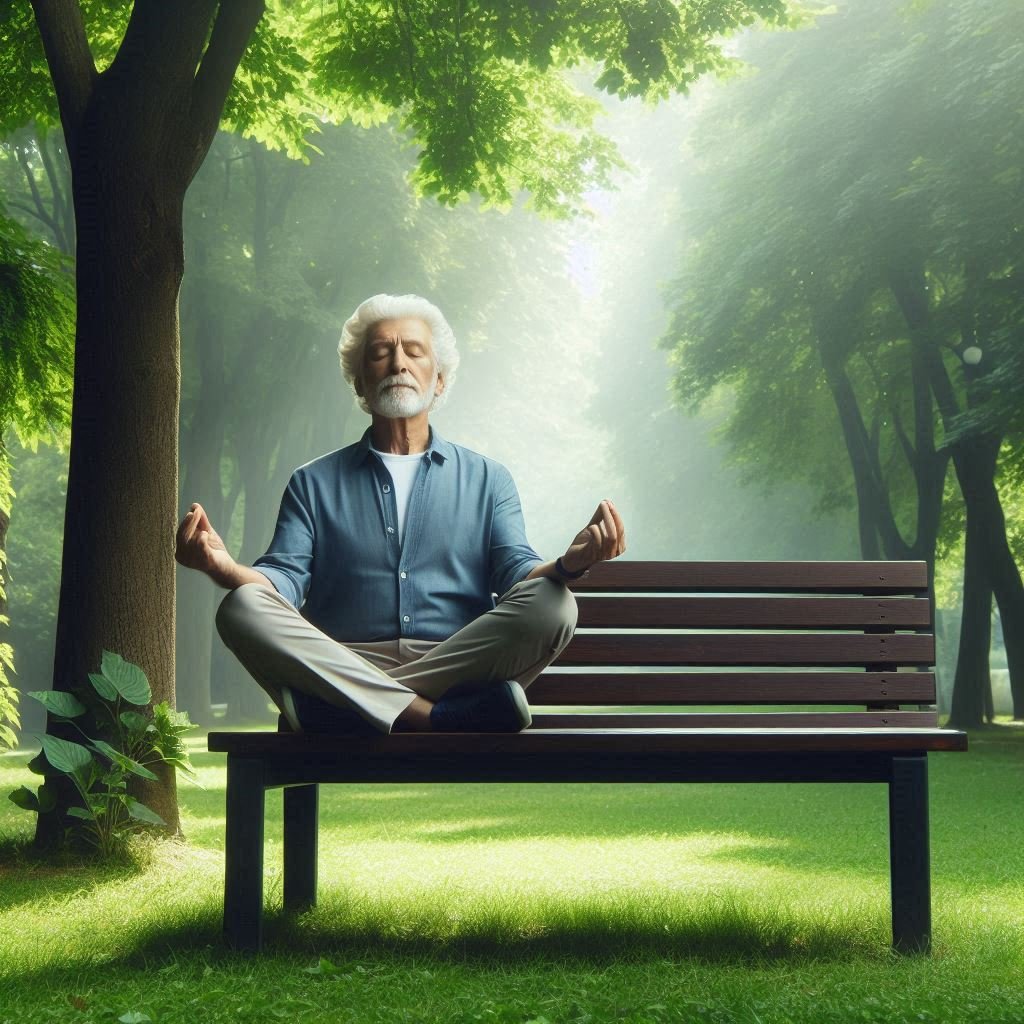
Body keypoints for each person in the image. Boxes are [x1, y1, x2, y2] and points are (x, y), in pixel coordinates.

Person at [175, 293, 626, 734]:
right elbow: (282, 582)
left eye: (414, 352)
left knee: (555, 602)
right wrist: (223, 567)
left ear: (441, 379)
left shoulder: (490, 479)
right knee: (241, 607)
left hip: (454, 661)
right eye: (380, 354)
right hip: (345, 658)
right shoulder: (311, 483)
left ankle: (346, 711)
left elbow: (516, 574)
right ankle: (429, 716)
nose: (398, 364)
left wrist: (570, 564)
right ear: (359, 383)